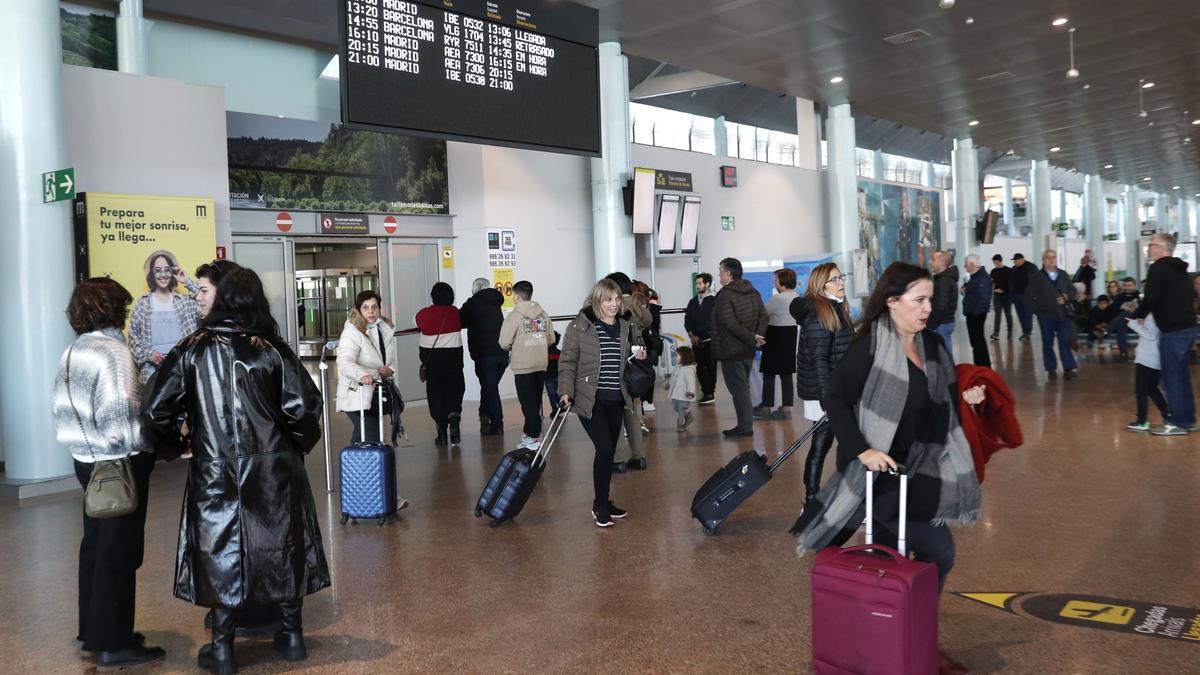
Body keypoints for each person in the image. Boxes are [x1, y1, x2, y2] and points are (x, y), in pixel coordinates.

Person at [790, 261, 984, 675]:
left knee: (936, 556)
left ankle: (910, 636)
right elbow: (836, 400)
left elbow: (946, 397)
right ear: (892, 302)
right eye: (919, 300)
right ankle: (899, 642)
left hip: (921, 468)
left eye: (930, 299)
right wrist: (861, 450)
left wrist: (967, 397)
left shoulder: (932, 345)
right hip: (877, 476)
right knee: (933, 551)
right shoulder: (870, 347)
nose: (927, 308)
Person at [142, 268, 329, 674]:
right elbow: (305, 408)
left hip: (215, 469)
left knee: (221, 549)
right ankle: (292, 636)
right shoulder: (272, 349)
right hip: (275, 466)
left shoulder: (191, 349)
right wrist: (292, 447)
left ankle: (223, 648)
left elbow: (156, 411)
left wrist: (178, 446)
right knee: (283, 542)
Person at [52, 278, 165, 670]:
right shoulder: (113, 352)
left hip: (85, 461)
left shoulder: (73, 350)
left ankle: (95, 631)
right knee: (120, 553)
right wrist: (150, 448)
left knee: (96, 549)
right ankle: (113, 643)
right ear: (113, 309)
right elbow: (121, 420)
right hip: (118, 462)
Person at [557, 278, 647, 527]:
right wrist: (565, 391)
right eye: (608, 299)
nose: (614, 304)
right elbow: (566, 362)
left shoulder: (626, 325)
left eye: (617, 299)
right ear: (597, 300)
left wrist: (640, 351)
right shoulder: (580, 326)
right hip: (590, 400)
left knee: (606, 454)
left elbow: (639, 345)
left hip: (617, 398)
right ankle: (599, 506)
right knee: (606, 449)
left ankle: (605, 502)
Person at [790, 262, 853, 504]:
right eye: (834, 280)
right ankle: (814, 498)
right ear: (820, 286)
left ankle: (813, 498)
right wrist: (829, 398)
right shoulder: (819, 314)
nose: (841, 283)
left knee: (823, 444)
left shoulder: (835, 308)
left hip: (834, 390)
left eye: (841, 277)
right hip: (825, 392)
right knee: (832, 445)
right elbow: (819, 359)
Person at [1131, 233, 1197, 435]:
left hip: (1173, 331)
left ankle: (1178, 423)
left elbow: (1151, 298)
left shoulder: (1158, 268)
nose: (1149, 248)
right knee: (1182, 376)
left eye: (1151, 245)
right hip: (1189, 328)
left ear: (1162, 247)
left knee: (1171, 378)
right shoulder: (1182, 270)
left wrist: (1138, 315)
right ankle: (1188, 418)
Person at [710, 258, 768, 437]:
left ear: (728, 274)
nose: (719, 274)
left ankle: (745, 426)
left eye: (720, 271)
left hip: (731, 350)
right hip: (748, 350)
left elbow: (729, 322)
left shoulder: (725, 294)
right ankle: (745, 423)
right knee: (743, 387)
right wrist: (756, 337)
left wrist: (752, 337)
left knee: (739, 389)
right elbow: (764, 316)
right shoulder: (753, 292)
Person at [336, 290, 398, 445]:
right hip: (357, 391)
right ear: (358, 310)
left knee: (365, 435)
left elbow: (391, 359)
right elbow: (344, 361)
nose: (371, 311)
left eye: (374, 307)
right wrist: (361, 375)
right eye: (365, 307)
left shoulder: (383, 329)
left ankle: (358, 466)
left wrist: (390, 370)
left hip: (375, 391)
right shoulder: (352, 331)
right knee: (370, 434)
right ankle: (361, 466)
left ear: (379, 309)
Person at [129, 249, 201, 382]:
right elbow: (133, 340)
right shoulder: (143, 304)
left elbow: (206, 303)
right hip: (153, 373)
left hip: (181, 371)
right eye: (158, 270)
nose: (163, 275)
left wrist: (186, 281)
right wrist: (149, 354)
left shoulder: (184, 302)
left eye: (167, 270)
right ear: (152, 273)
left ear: (172, 272)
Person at [499, 280, 553, 450]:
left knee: (527, 403)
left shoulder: (514, 317)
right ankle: (530, 434)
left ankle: (533, 438)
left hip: (523, 365)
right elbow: (551, 338)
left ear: (516, 296)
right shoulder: (543, 314)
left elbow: (503, 342)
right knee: (535, 402)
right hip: (541, 363)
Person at [605, 272, 651, 471]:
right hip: (631, 367)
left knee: (612, 415)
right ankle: (639, 457)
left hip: (613, 369)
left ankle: (616, 460)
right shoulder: (632, 310)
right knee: (631, 412)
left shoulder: (609, 311)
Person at [416, 282, 466, 447]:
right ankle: (454, 416)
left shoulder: (423, 314)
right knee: (455, 390)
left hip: (433, 362)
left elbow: (419, 324)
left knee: (436, 394)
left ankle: (442, 434)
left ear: (433, 297)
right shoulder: (455, 313)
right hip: (453, 360)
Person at [459, 277, 506, 435]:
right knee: (489, 387)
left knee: (490, 388)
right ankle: (484, 414)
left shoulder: (472, 303)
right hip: (503, 353)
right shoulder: (497, 301)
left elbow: (459, 319)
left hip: (485, 354)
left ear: (474, 289)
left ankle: (498, 424)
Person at [1026, 249, 1079, 379]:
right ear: (1043, 260)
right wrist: (1038, 310)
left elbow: (1073, 291)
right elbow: (1028, 297)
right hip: (1045, 316)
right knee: (1047, 342)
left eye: (1054, 257)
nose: (1051, 260)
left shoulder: (1063, 275)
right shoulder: (1036, 277)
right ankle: (1051, 369)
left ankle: (1068, 368)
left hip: (1063, 315)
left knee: (1064, 341)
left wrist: (1067, 296)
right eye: (1048, 257)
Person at [754, 268, 799, 421]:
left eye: (776, 279)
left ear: (782, 281)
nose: (774, 282)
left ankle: (766, 408)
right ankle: (786, 409)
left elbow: (762, 313)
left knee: (769, 373)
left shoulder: (778, 299)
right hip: (790, 336)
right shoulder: (796, 297)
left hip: (775, 336)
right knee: (786, 374)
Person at [1125, 313, 1169, 432]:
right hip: (1155, 358)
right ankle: (1167, 414)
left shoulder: (1153, 315)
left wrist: (1134, 324)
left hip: (1146, 358)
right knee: (1151, 389)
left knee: (1141, 391)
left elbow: (1151, 335)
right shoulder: (1160, 313)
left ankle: (1142, 421)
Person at [684, 272, 717, 405]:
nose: (697, 285)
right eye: (696, 283)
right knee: (700, 368)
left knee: (711, 367)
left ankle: (710, 393)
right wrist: (692, 336)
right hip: (696, 341)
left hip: (710, 341)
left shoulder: (713, 301)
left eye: (699, 283)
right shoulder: (692, 302)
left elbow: (714, 321)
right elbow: (687, 320)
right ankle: (706, 392)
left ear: (707, 284)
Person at [961, 254, 993, 368]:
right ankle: (980, 365)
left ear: (972, 264)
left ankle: (983, 366)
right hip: (974, 313)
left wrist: (975, 312)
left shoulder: (982, 278)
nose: (964, 266)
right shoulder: (976, 276)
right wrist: (966, 287)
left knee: (978, 341)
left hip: (976, 315)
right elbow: (974, 289)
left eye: (966, 263)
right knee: (976, 342)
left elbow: (984, 298)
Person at [928, 250, 959, 362]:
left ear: (941, 263)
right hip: (943, 322)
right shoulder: (944, 279)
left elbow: (941, 306)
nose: (930, 262)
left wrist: (931, 324)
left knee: (944, 357)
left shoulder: (944, 281)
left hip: (941, 323)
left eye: (933, 259)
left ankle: (951, 378)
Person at [1103, 277, 1142, 360]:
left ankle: (1106, 330)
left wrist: (1132, 310)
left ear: (1134, 285)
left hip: (1136, 325)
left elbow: (1143, 311)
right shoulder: (1120, 297)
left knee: (1127, 313)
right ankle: (1123, 353)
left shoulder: (1139, 296)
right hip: (1124, 324)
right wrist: (1121, 307)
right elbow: (1111, 311)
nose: (1127, 287)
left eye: (1129, 285)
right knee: (1121, 323)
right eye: (1125, 285)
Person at [669, 346, 698, 431]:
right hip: (676, 393)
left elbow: (691, 382)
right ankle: (689, 415)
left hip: (685, 394)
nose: (675, 357)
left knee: (681, 409)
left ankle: (680, 424)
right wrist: (669, 384)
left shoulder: (689, 369)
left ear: (684, 357)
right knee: (675, 407)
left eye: (677, 356)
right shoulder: (678, 367)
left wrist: (690, 392)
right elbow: (673, 377)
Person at [1010, 253, 1035, 340]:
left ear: (1021, 259)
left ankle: (1027, 332)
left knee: (1027, 314)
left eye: (1015, 260)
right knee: (1020, 314)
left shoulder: (1031, 267)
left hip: (1027, 295)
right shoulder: (1014, 268)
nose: (1014, 262)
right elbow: (1011, 281)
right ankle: (1025, 331)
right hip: (1016, 295)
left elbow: (1037, 280)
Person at [989, 254, 1013, 340]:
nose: (996, 264)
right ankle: (996, 333)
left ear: (1001, 261)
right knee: (997, 314)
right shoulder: (993, 271)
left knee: (1008, 314)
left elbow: (1011, 284)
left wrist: (1003, 290)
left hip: (1007, 296)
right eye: (994, 263)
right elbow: (991, 282)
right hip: (997, 296)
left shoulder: (1009, 271)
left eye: (997, 262)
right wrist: (993, 289)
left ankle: (1010, 332)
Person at [545, 330, 561, 412]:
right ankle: (560, 407)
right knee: (556, 393)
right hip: (558, 376)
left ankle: (555, 410)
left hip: (548, 377)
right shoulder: (560, 353)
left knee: (551, 394)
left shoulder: (545, 354)